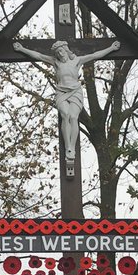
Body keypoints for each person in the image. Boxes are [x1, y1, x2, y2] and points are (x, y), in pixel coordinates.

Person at [12, 38, 121, 175]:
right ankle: (68, 146)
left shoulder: (77, 61)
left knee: (73, 116)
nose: (60, 54)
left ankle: (72, 149)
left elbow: (95, 55)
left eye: (61, 51)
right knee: (65, 115)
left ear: (66, 50)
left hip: (75, 91)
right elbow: (39, 56)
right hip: (61, 91)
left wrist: (111, 48)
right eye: (57, 53)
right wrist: (22, 49)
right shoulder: (55, 62)